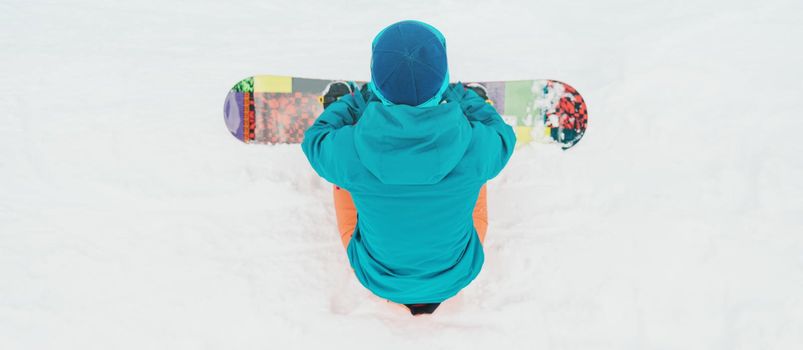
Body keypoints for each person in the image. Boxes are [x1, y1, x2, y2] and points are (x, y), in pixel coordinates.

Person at [301, 20, 516, 315]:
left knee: (343, 175)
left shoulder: (349, 148)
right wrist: (466, 99)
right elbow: (503, 134)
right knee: (477, 172)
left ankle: (347, 107)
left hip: (377, 276)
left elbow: (315, 140)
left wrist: (354, 104)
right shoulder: (476, 145)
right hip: (456, 272)